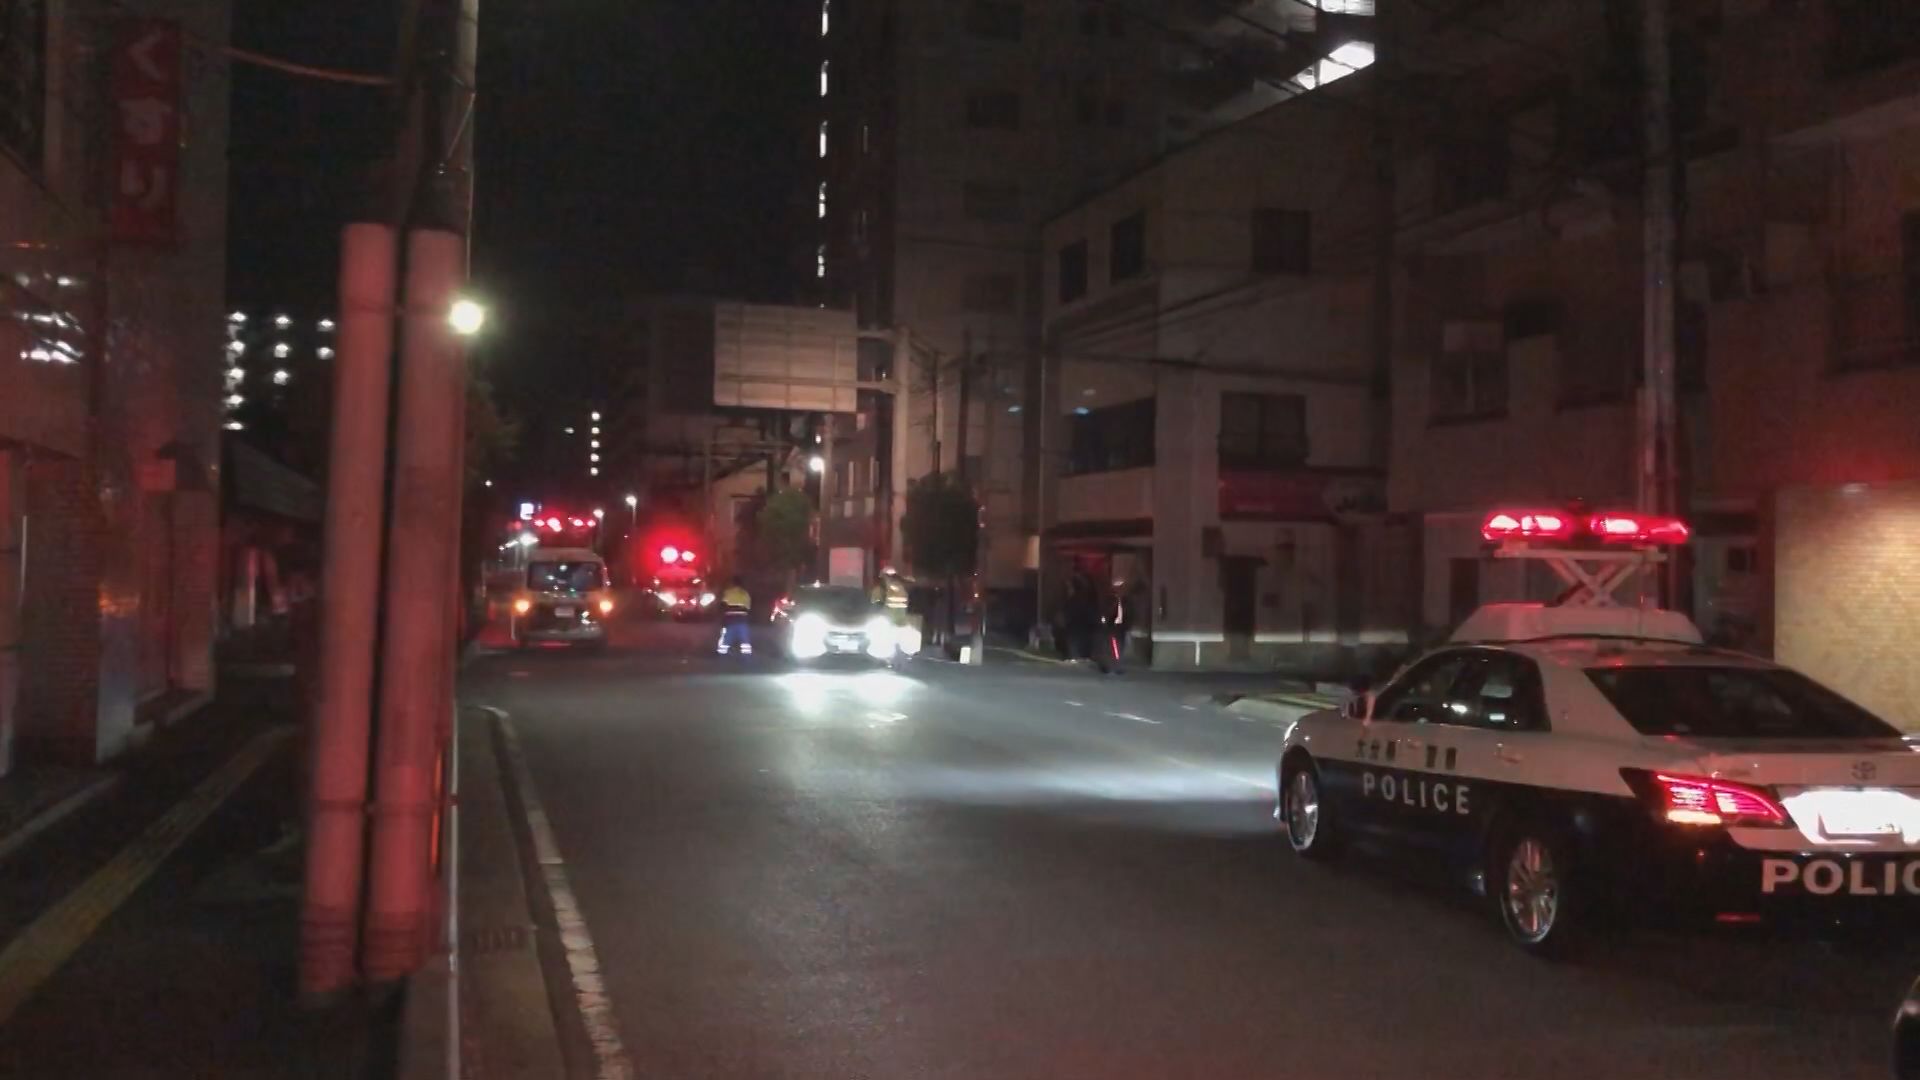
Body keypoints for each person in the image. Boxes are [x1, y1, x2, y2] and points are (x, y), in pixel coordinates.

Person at [718, 577, 753, 655]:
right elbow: (748, 608)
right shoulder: (745, 594)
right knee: (744, 639)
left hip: (730, 619)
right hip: (742, 619)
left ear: (732, 583)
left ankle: (722, 655)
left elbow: (723, 605)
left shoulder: (728, 592)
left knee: (727, 638)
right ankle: (746, 656)